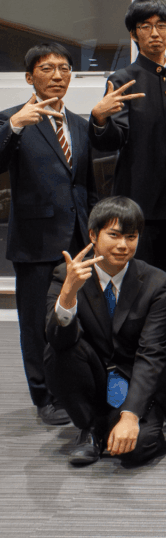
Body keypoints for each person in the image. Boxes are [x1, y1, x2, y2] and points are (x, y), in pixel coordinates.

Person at [90, 0, 166, 380]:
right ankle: (133, 357)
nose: (155, 33)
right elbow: (110, 140)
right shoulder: (122, 80)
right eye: (145, 27)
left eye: (162, 25)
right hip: (137, 201)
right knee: (136, 283)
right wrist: (100, 119)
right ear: (134, 34)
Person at [0, 43, 95, 426]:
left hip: (79, 240)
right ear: (29, 77)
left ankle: (75, 388)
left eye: (64, 68)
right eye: (47, 68)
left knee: (77, 318)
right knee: (36, 324)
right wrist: (14, 126)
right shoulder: (12, 119)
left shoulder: (80, 125)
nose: (57, 75)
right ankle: (44, 396)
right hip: (35, 241)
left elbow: (85, 184)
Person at [43, 197, 166, 467]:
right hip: (91, 375)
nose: (123, 245)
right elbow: (56, 340)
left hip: (134, 380)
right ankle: (89, 426)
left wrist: (130, 416)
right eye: (114, 235)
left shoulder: (157, 282)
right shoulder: (66, 275)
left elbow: (152, 354)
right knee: (59, 349)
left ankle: (109, 423)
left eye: (131, 237)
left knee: (136, 450)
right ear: (93, 235)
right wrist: (68, 294)